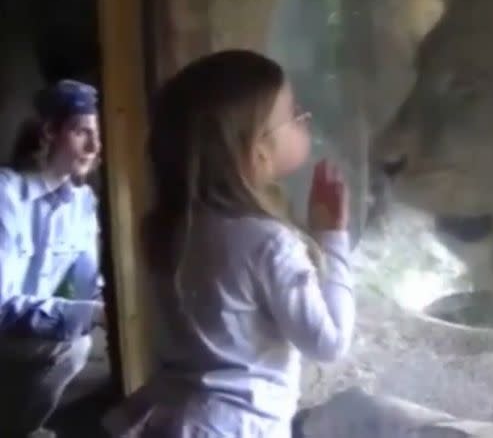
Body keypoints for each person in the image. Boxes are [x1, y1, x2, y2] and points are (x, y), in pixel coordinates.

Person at [103, 50, 356, 438]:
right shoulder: (269, 243)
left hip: (170, 415)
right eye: (294, 113)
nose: (305, 118)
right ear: (257, 151)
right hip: (237, 426)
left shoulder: (169, 226)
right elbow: (328, 342)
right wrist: (333, 237)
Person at [0, 79, 106, 438]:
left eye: (98, 135)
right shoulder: (6, 196)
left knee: (94, 339)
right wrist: (89, 313)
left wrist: (108, 306)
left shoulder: (82, 204)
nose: (95, 147)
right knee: (74, 346)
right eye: (82, 133)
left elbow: (89, 285)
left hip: (22, 337)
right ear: (49, 131)